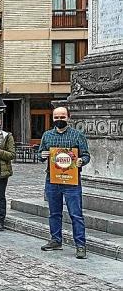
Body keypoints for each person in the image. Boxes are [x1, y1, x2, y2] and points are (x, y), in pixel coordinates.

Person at [38, 106, 90, 259]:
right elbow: (40, 155)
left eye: (62, 117)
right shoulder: (47, 135)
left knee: (76, 214)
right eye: (56, 117)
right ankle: (56, 240)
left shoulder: (77, 135)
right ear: (53, 118)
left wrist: (81, 160)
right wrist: (42, 154)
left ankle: (80, 245)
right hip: (52, 180)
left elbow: (86, 155)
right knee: (54, 213)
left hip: (72, 181)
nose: (59, 120)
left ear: (68, 117)